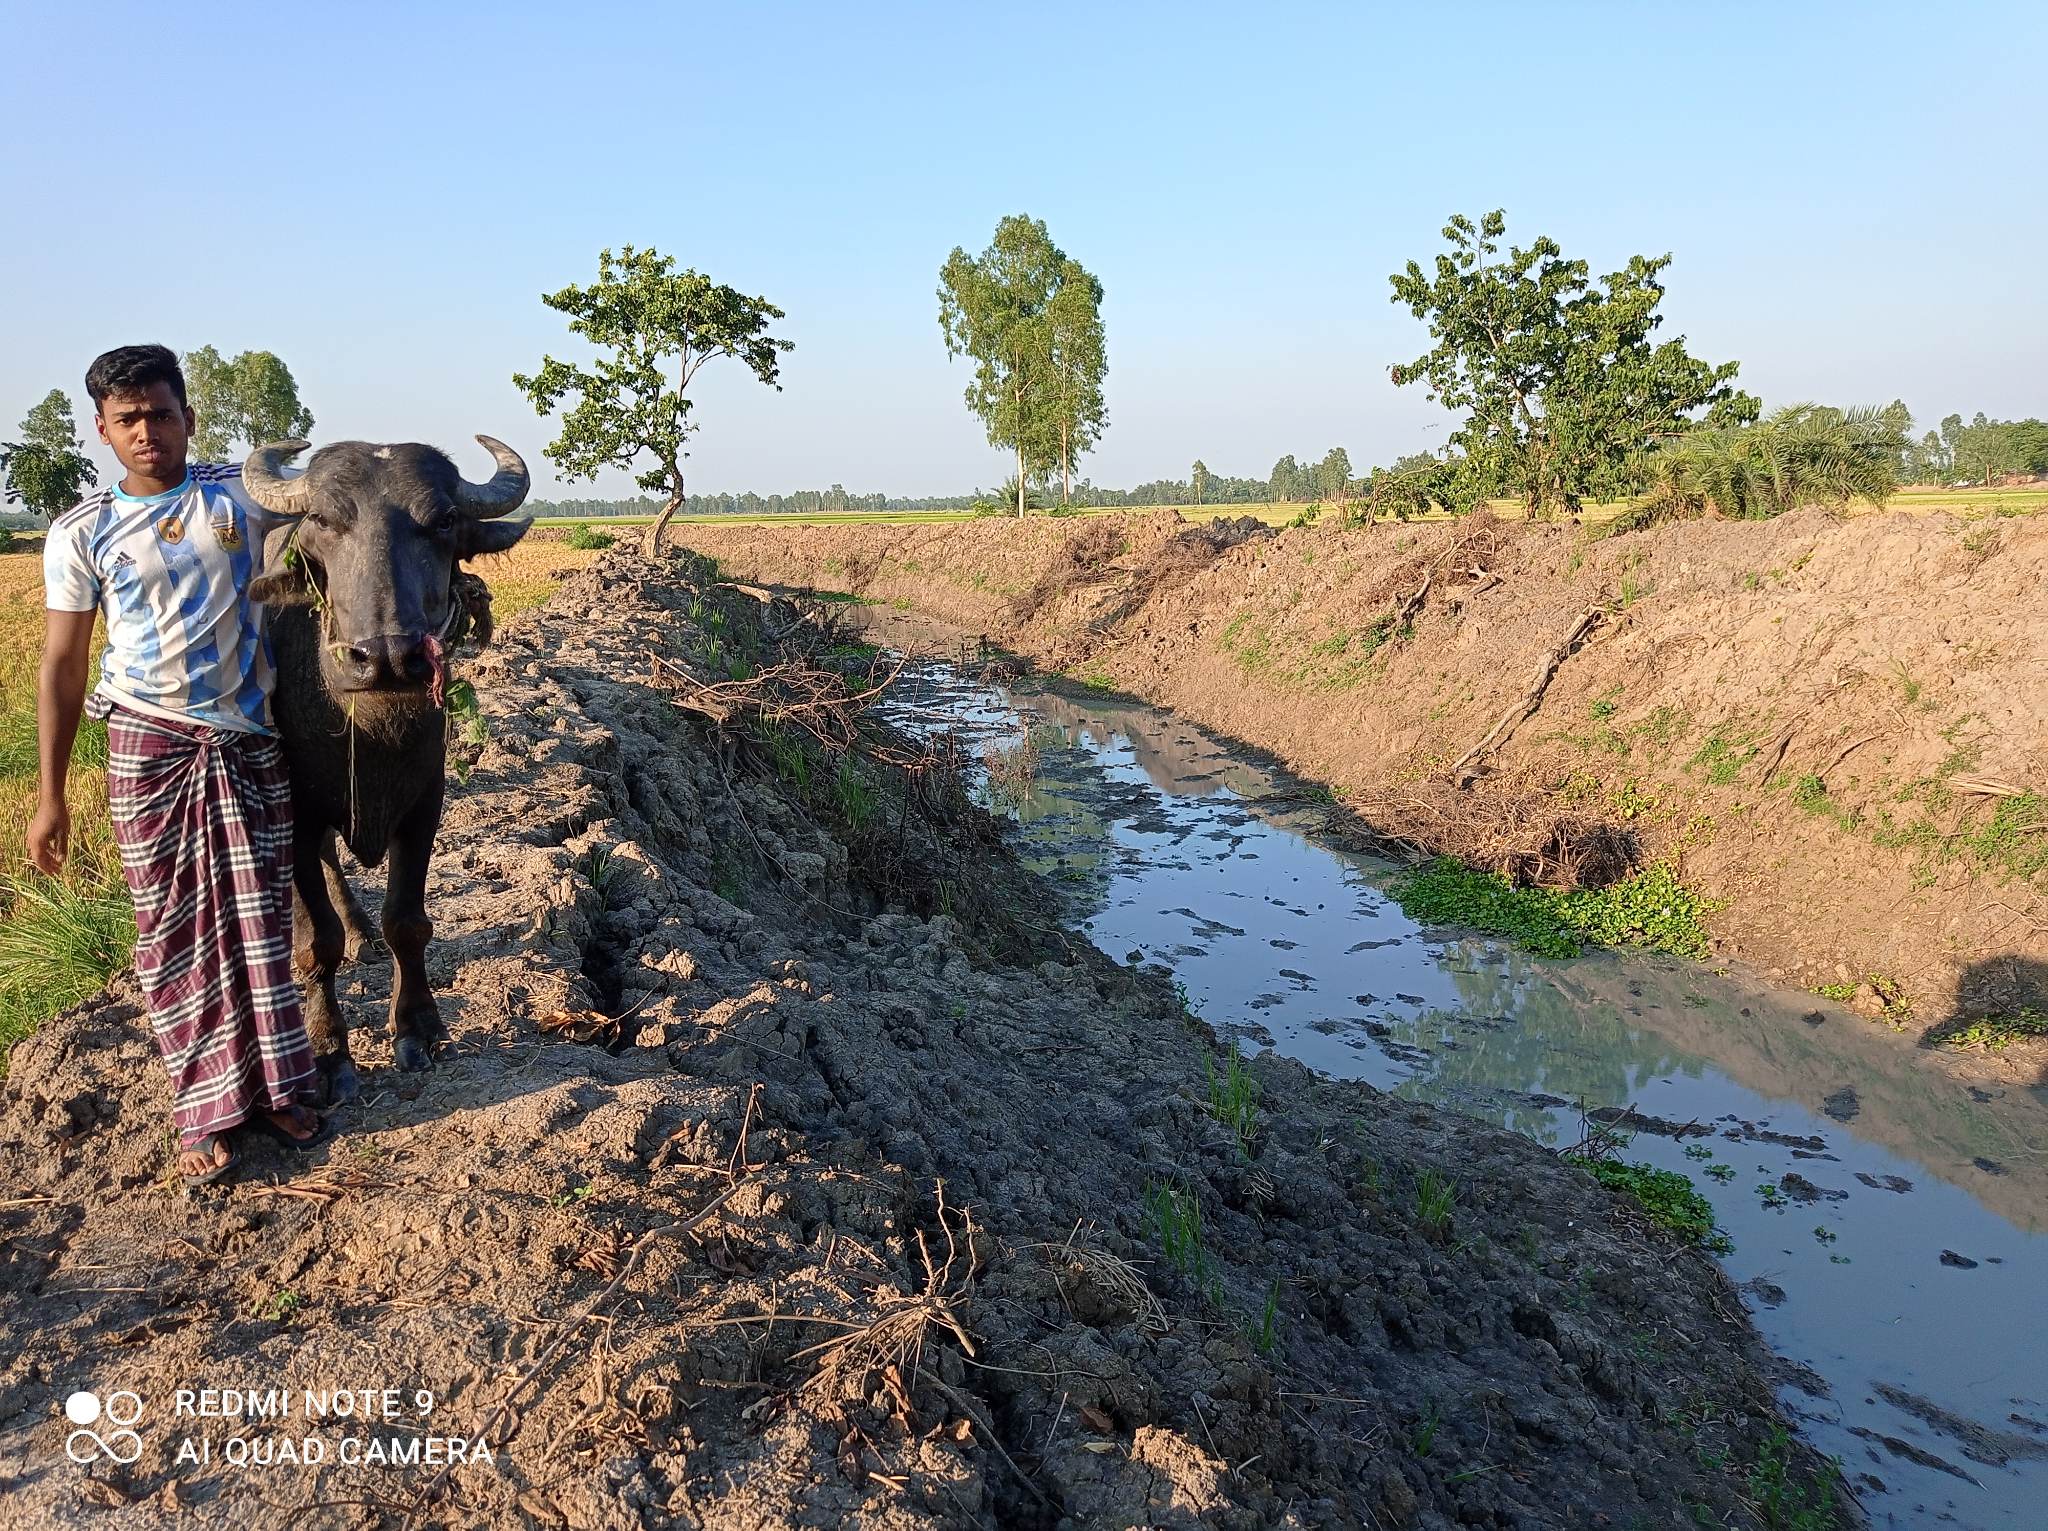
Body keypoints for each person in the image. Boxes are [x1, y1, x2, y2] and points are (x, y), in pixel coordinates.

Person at [27, 343, 332, 1186]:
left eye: (161, 413)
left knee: (263, 925)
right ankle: (205, 1107)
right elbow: (62, 664)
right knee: (172, 935)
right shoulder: (80, 532)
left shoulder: (244, 495)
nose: (147, 430)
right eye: (127, 419)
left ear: (188, 417)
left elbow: (340, 529)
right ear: (102, 430)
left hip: (247, 741)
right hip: (148, 745)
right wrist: (49, 797)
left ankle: (276, 1087)